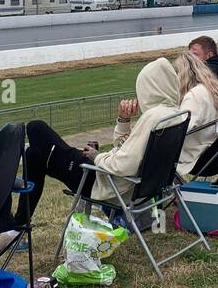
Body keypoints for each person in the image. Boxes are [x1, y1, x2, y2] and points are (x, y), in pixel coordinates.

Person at [24, 57, 191, 209]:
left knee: (35, 127)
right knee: (33, 155)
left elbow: (123, 164)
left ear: (151, 88)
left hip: (100, 180)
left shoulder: (153, 117)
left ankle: (15, 226)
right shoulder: (174, 115)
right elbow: (125, 149)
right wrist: (123, 120)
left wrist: (96, 156)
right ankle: (18, 227)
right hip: (124, 182)